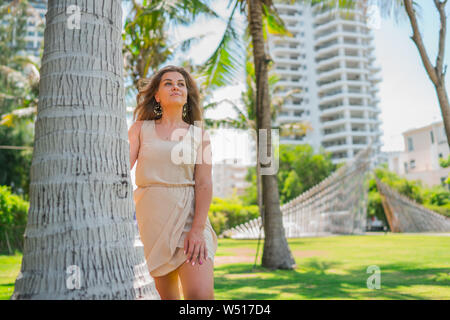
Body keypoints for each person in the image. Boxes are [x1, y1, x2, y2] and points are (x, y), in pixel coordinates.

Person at [128, 65, 218, 300]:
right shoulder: (139, 130)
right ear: (157, 95)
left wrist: (197, 230)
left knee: (200, 297)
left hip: (190, 223)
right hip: (152, 225)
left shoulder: (201, 135)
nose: (175, 86)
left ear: (187, 95)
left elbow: (204, 184)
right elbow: (119, 168)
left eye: (181, 84)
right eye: (168, 83)